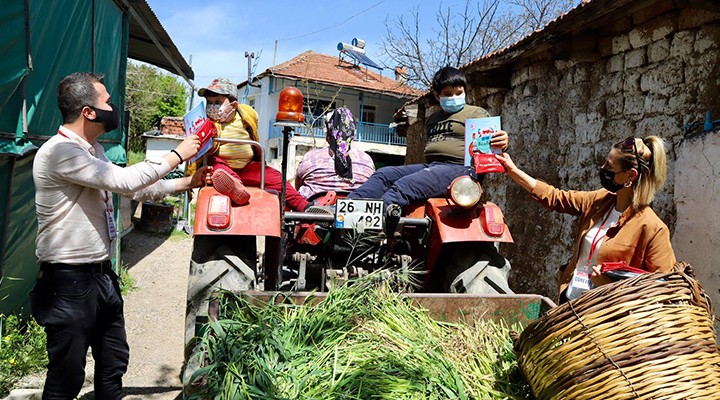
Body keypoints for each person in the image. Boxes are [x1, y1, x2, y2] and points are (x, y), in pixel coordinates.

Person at [31, 72, 207, 399]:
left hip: (101, 276)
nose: (113, 107)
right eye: (107, 102)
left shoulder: (92, 150)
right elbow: (126, 181)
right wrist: (178, 154)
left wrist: (185, 184)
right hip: (68, 281)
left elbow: (133, 187)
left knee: (113, 362)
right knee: (66, 376)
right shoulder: (60, 152)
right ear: (88, 112)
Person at [496, 136, 676, 303]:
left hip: (606, 317)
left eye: (610, 167)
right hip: (571, 301)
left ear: (630, 176)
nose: (603, 169)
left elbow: (663, 289)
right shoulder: (600, 200)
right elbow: (556, 197)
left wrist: (610, 285)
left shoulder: (653, 229)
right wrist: (513, 171)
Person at [346, 66, 508, 210]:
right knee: (384, 174)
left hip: (461, 169)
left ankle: (372, 224)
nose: (454, 97)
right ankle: (347, 209)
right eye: (448, 94)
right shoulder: (433, 119)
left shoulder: (476, 113)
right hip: (432, 166)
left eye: (459, 93)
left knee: (405, 185)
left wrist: (502, 142)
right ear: (438, 96)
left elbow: (490, 143)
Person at [196, 78, 310, 211]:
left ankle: (305, 207)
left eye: (217, 102)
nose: (212, 107)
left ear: (233, 106)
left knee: (276, 178)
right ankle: (235, 187)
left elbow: (254, 118)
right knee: (216, 165)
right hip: (223, 167)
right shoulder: (207, 124)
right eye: (209, 102)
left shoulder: (245, 116)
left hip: (248, 168)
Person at [295, 107, 375, 199]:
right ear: (352, 135)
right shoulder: (366, 160)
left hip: (315, 210)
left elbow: (298, 183)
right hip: (356, 209)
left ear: (329, 133)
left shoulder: (311, 157)